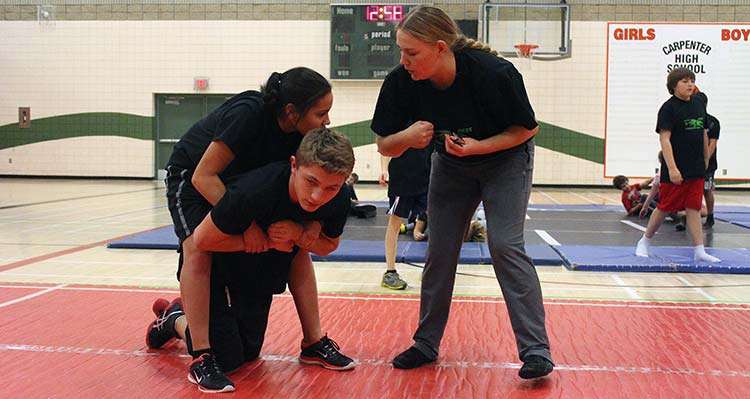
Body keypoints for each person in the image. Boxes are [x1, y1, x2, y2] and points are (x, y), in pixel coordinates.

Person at [371, 6, 553, 378]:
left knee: (505, 245)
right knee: (439, 250)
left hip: (505, 160)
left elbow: (526, 130)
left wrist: (478, 147)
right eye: (400, 51)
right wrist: (405, 138)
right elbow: (384, 145)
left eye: (412, 53)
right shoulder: (400, 81)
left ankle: (536, 350)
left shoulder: (494, 74)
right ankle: (426, 342)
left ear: (440, 48)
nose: (404, 60)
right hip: (451, 165)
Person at [163, 67, 341, 392]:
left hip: (237, 188)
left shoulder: (300, 135)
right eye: (321, 113)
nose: (326, 121)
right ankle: (201, 355)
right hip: (193, 179)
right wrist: (249, 226)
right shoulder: (248, 115)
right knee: (197, 247)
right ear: (291, 111)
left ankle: (313, 340)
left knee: (294, 244)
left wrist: (303, 228)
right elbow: (204, 177)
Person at [635, 68, 720, 263]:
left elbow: (703, 132)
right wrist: (672, 168)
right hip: (677, 168)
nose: (690, 84)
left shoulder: (699, 103)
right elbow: (665, 139)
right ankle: (644, 242)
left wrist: (706, 158)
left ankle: (699, 249)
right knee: (664, 206)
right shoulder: (669, 108)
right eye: (684, 81)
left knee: (694, 208)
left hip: (697, 167)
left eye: (692, 80)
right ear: (674, 86)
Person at [379, 151, 430, 290]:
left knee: (437, 221)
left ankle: (432, 270)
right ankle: (390, 272)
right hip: (401, 179)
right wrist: (384, 170)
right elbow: (384, 142)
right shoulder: (397, 129)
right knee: (395, 222)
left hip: (427, 177)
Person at [693, 91, 720, 229]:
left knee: (706, 189)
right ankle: (686, 216)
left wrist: (706, 160)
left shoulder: (712, 122)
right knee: (691, 189)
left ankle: (710, 216)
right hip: (692, 160)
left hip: (707, 163)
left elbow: (712, 144)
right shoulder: (692, 120)